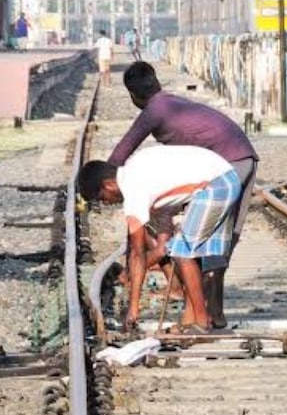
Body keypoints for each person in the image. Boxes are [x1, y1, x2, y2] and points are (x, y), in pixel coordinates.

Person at [106, 61, 259, 329]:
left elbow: (119, 155)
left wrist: (105, 180)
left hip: (227, 166)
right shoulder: (170, 102)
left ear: (133, 96)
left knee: (198, 243)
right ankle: (213, 313)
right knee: (218, 242)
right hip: (241, 156)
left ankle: (202, 315)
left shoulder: (154, 110)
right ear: (157, 82)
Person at [79, 145, 242, 334]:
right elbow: (164, 240)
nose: (106, 203)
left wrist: (133, 309)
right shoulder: (141, 175)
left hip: (216, 185)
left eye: (102, 198)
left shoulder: (133, 189)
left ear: (108, 185)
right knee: (186, 254)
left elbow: (137, 254)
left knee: (183, 254)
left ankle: (201, 323)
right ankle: (192, 321)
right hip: (225, 178)